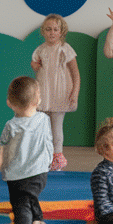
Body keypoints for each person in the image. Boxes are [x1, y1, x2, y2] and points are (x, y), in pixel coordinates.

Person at [0, 75, 53, 224]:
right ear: (38, 100)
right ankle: (37, 223)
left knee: (20, 204)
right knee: (31, 196)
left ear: (9, 103)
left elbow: (5, 149)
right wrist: (49, 160)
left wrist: (3, 167)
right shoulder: (44, 119)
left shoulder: (11, 125)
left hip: (18, 175)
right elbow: (48, 142)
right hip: (40, 172)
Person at [30, 14, 80, 172]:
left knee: (57, 127)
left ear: (61, 32)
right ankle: (44, 156)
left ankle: (57, 158)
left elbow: (75, 73)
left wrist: (75, 92)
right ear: (43, 32)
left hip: (60, 92)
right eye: (48, 29)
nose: (52, 32)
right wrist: (34, 65)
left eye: (55, 29)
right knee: (43, 127)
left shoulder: (65, 49)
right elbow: (36, 65)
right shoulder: (40, 50)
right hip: (44, 92)